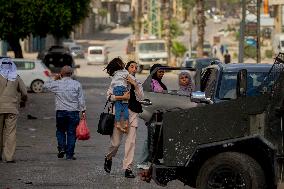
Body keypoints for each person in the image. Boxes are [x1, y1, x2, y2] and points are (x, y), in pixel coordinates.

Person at [104, 60, 144, 178]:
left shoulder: (137, 82)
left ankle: (128, 168)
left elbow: (141, 97)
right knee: (115, 143)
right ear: (126, 68)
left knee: (131, 142)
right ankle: (108, 157)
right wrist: (121, 97)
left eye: (136, 67)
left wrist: (135, 85)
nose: (134, 69)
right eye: (132, 66)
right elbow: (109, 97)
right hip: (118, 114)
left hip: (132, 115)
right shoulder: (117, 80)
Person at [43, 65, 86, 160]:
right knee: (71, 133)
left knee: (60, 131)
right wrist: (83, 111)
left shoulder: (57, 84)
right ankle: (69, 155)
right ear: (71, 74)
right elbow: (81, 99)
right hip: (73, 112)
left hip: (61, 112)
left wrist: (54, 78)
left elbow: (45, 86)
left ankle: (62, 148)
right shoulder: (77, 84)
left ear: (61, 74)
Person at [137, 64, 167, 169]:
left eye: (163, 72)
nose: (162, 74)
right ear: (154, 72)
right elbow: (147, 98)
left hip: (160, 114)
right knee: (149, 137)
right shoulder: (150, 83)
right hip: (152, 114)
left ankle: (154, 159)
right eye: (160, 72)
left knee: (155, 137)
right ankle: (142, 161)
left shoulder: (159, 83)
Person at [0, 57, 27, 163]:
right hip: (12, 109)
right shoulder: (16, 77)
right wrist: (23, 101)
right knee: (10, 133)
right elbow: (24, 93)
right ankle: (9, 157)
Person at [105, 57, 130, 133]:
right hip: (124, 90)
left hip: (117, 90)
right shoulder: (125, 72)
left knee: (118, 107)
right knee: (125, 107)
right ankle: (126, 123)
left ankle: (118, 123)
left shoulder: (114, 75)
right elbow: (108, 97)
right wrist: (123, 97)